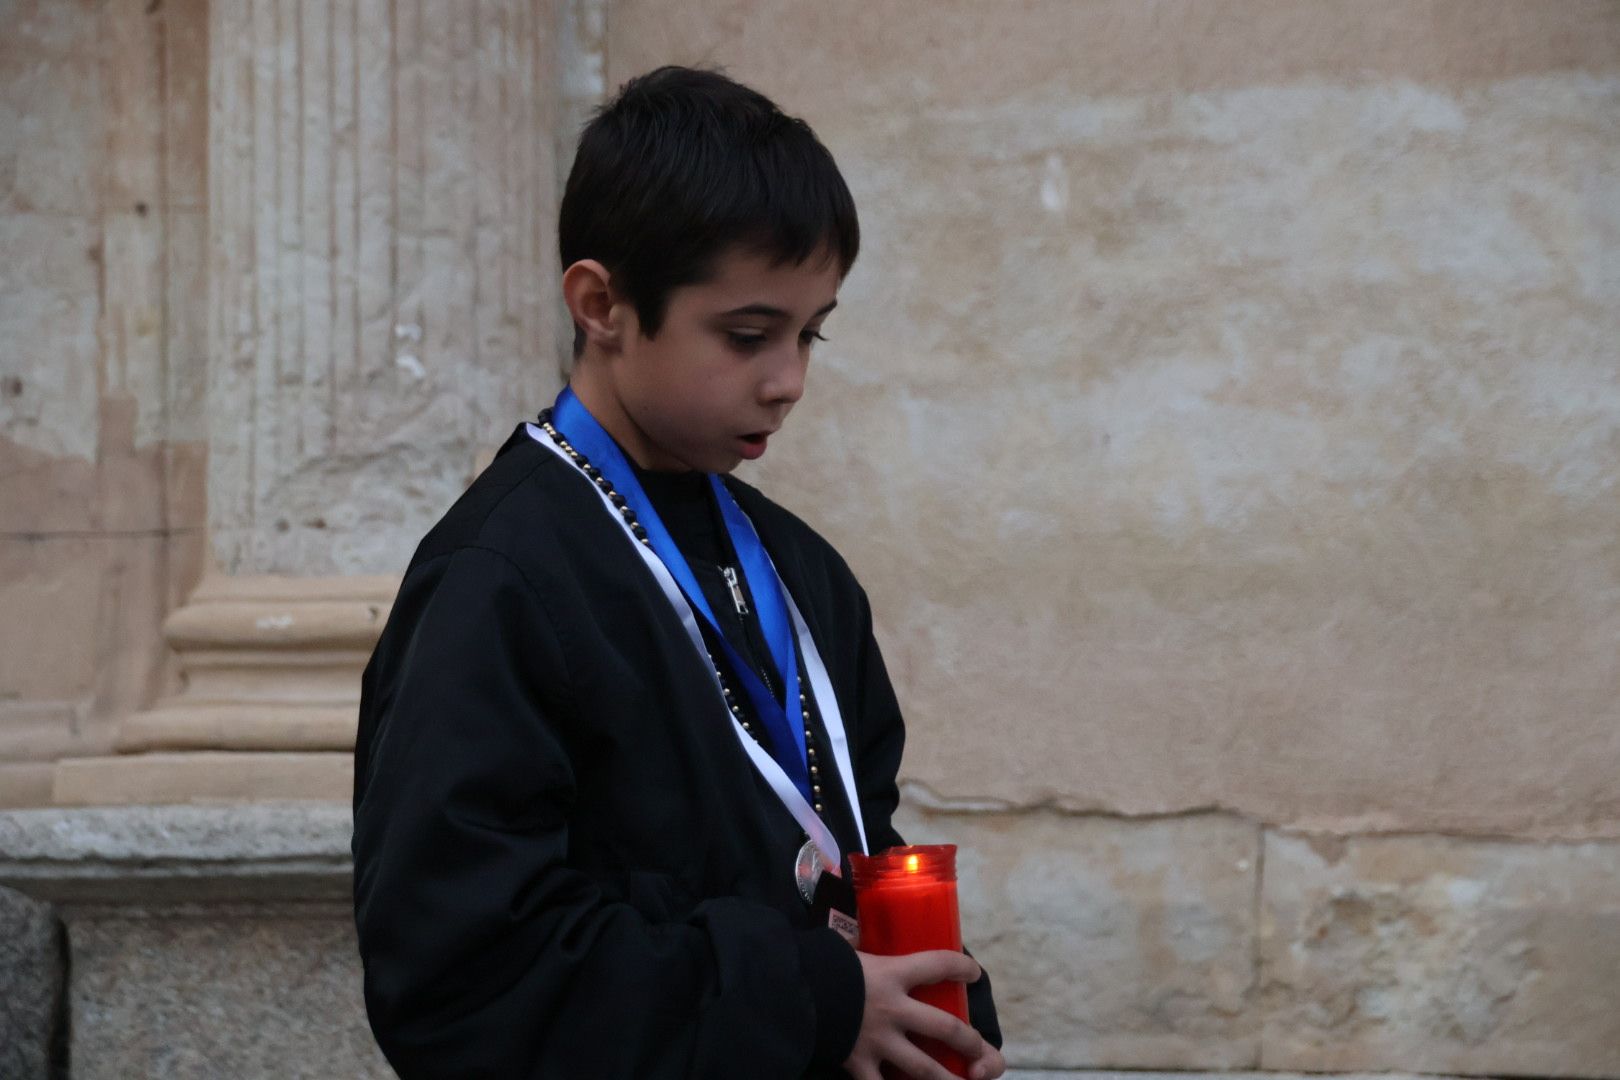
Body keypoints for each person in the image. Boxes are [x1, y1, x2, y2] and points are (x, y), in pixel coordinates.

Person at [352, 65, 1005, 1080]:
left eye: (810, 332)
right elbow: (465, 977)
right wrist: (818, 1001)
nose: (789, 382)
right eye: (747, 336)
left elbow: (844, 845)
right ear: (602, 302)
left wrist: (927, 1003)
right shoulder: (497, 583)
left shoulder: (804, 575)